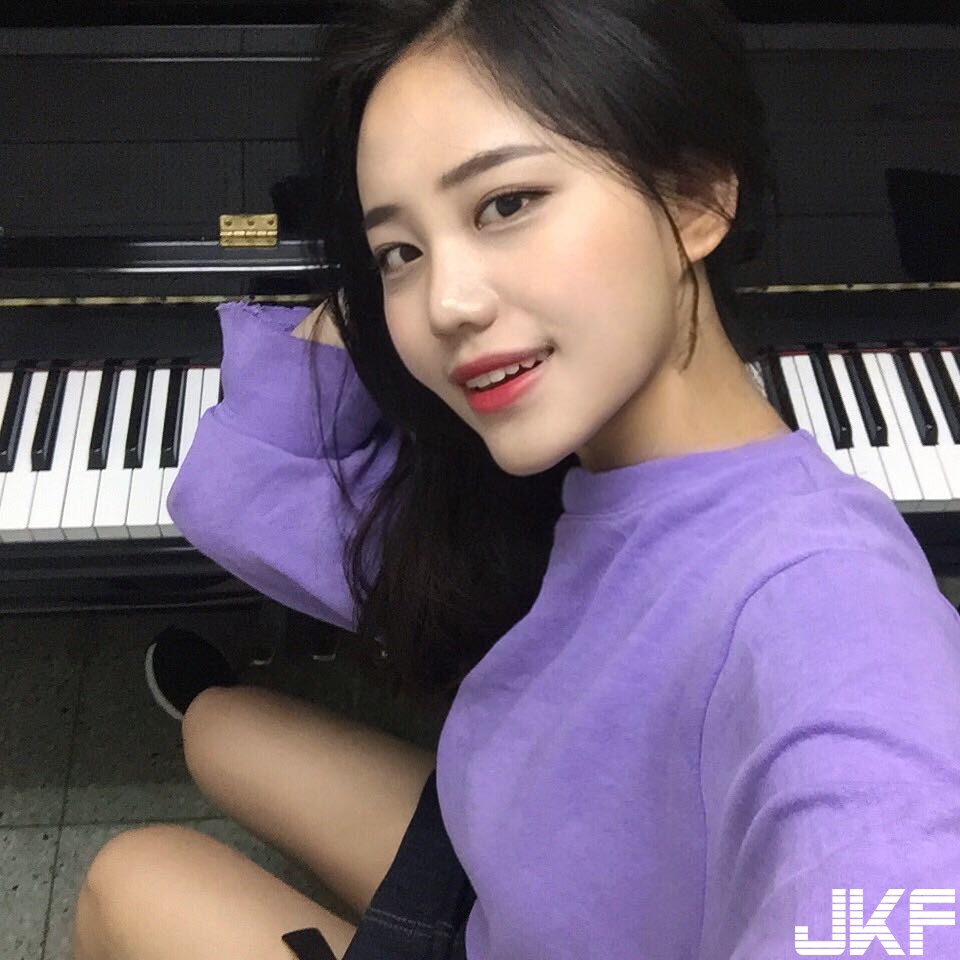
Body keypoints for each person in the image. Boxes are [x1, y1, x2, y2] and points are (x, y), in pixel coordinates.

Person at [71, 1, 960, 959]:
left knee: (132, 877)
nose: (446, 305)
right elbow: (231, 495)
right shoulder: (592, 477)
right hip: (539, 869)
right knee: (220, 726)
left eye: (506, 204)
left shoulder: (836, 618)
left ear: (697, 197)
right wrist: (373, 289)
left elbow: (895, 869)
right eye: (399, 252)